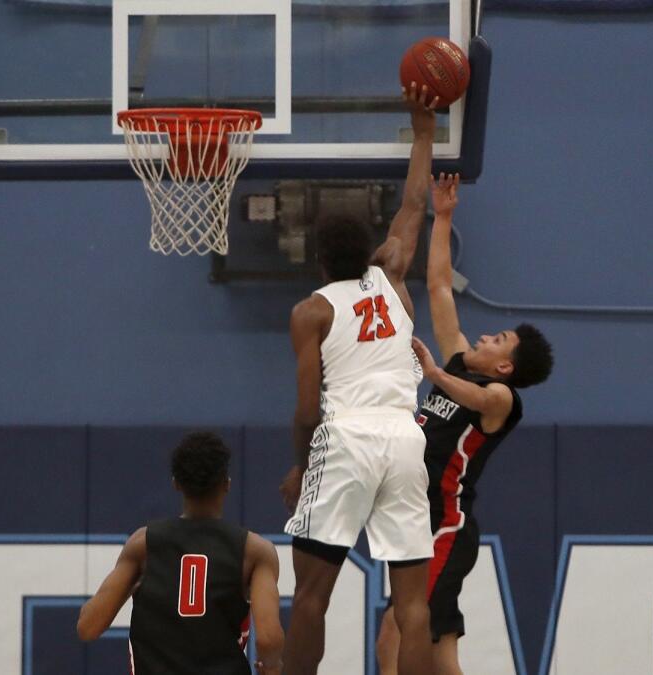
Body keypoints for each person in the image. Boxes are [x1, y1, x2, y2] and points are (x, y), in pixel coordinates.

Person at [278, 83, 438, 675]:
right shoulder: (392, 278)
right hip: (404, 436)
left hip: (346, 440)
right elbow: (414, 204)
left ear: (318, 259)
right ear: (371, 250)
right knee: (414, 604)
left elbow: (304, 412)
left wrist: (301, 466)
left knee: (313, 597)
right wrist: (423, 133)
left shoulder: (312, 311)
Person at [376, 173, 554, 674]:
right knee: (438, 655)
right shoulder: (458, 364)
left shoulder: (501, 399)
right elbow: (437, 285)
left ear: (505, 367)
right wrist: (444, 217)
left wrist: (431, 373)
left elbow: (477, 396)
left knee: (395, 633)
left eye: (497, 339)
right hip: (418, 523)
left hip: (446, 527)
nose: (484, 336)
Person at [78, 431, 284, 675]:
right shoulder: (255, 551)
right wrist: (271, 669)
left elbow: (89, 627)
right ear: (226, 483)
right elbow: (268, 639)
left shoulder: (144, 544)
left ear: (176, 482)